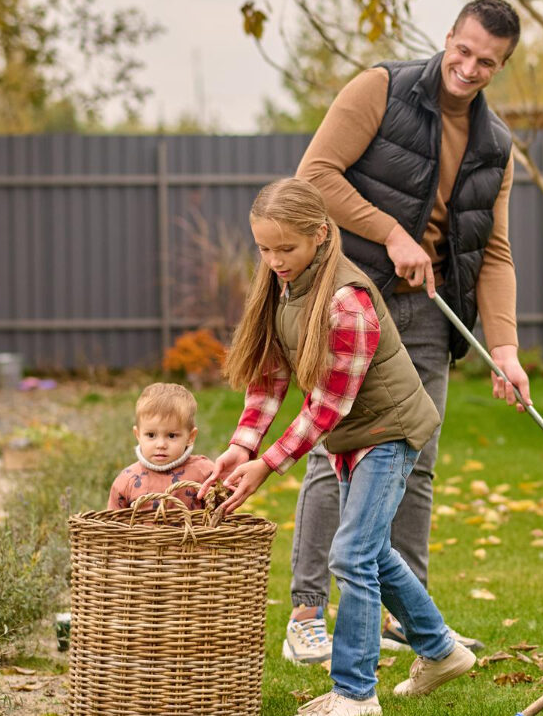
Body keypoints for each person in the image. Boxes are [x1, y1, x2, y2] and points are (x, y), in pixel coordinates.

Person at [284, 0, 530, 662]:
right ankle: (308, 613)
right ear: (448, 37)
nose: (470, 67)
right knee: (337, 451)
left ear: (500, 65)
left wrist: (504, 349)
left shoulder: (495, 144)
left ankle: (408, 618)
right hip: (354, 301)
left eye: (487, 62)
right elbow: (315, 177)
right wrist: (392, 233)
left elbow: (495, 251)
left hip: (428, 312)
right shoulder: (381, 88)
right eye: (464, 50)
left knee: (413, 463)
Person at [203, 178, 474, 716]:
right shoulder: (285, 289)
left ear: (321, 236)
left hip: (388, 431)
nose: (275, 259)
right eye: (265, 248)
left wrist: (268, 465)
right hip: (355, 435)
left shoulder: (346, 301)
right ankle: (441, 651)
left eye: (287, 248)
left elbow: (327, 406)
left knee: (351, 555)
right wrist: (242, 446)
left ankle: (354, 694)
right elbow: (269, 378)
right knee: (371, 552)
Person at [106, 382, 215, 511]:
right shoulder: (127, 480)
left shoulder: (204, 472)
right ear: (138, 435)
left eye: (172, 436)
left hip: (192, 531)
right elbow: (112, 524)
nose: (161, 445)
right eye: (151, 435)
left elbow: (223, 513)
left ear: (190, 437)